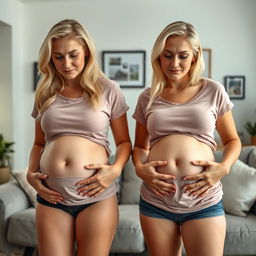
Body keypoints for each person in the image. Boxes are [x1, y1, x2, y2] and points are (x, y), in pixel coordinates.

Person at [132, 21, 241, 256]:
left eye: (183, 55)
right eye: (168, 55)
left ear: (194, 56)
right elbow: (140, 146)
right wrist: (140, 168)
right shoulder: (147, 97)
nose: (174, 63)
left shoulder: (213, 90)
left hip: (203, 199)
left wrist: (224, 167)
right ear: (159, 57)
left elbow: (233, 140)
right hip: (156, 200)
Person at [27, 19, 131, 256]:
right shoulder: (45, 91)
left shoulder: (108, 88)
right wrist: (32, 175)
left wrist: (114, 171)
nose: (67, 64)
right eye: (58, 57)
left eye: (73, 54)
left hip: (96, 196)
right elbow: (38, 143)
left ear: (86, 51)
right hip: (52, 196)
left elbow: (124, 142)